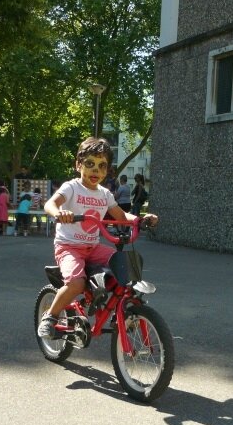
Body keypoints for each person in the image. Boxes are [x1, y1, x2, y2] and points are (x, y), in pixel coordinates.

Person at [37, 136, 158, 338]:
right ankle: (50, 317)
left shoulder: (105, 194)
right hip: (69, 247)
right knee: (76, 284)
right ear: (78, 165)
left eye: (102, 166)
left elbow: (121, 215)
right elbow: (50, 204)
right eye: (90, 164)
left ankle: (118, 313)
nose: (96, 170)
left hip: (92, 248)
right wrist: (59, 213)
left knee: (124, 269)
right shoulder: (72, 187)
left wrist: (139, 220)